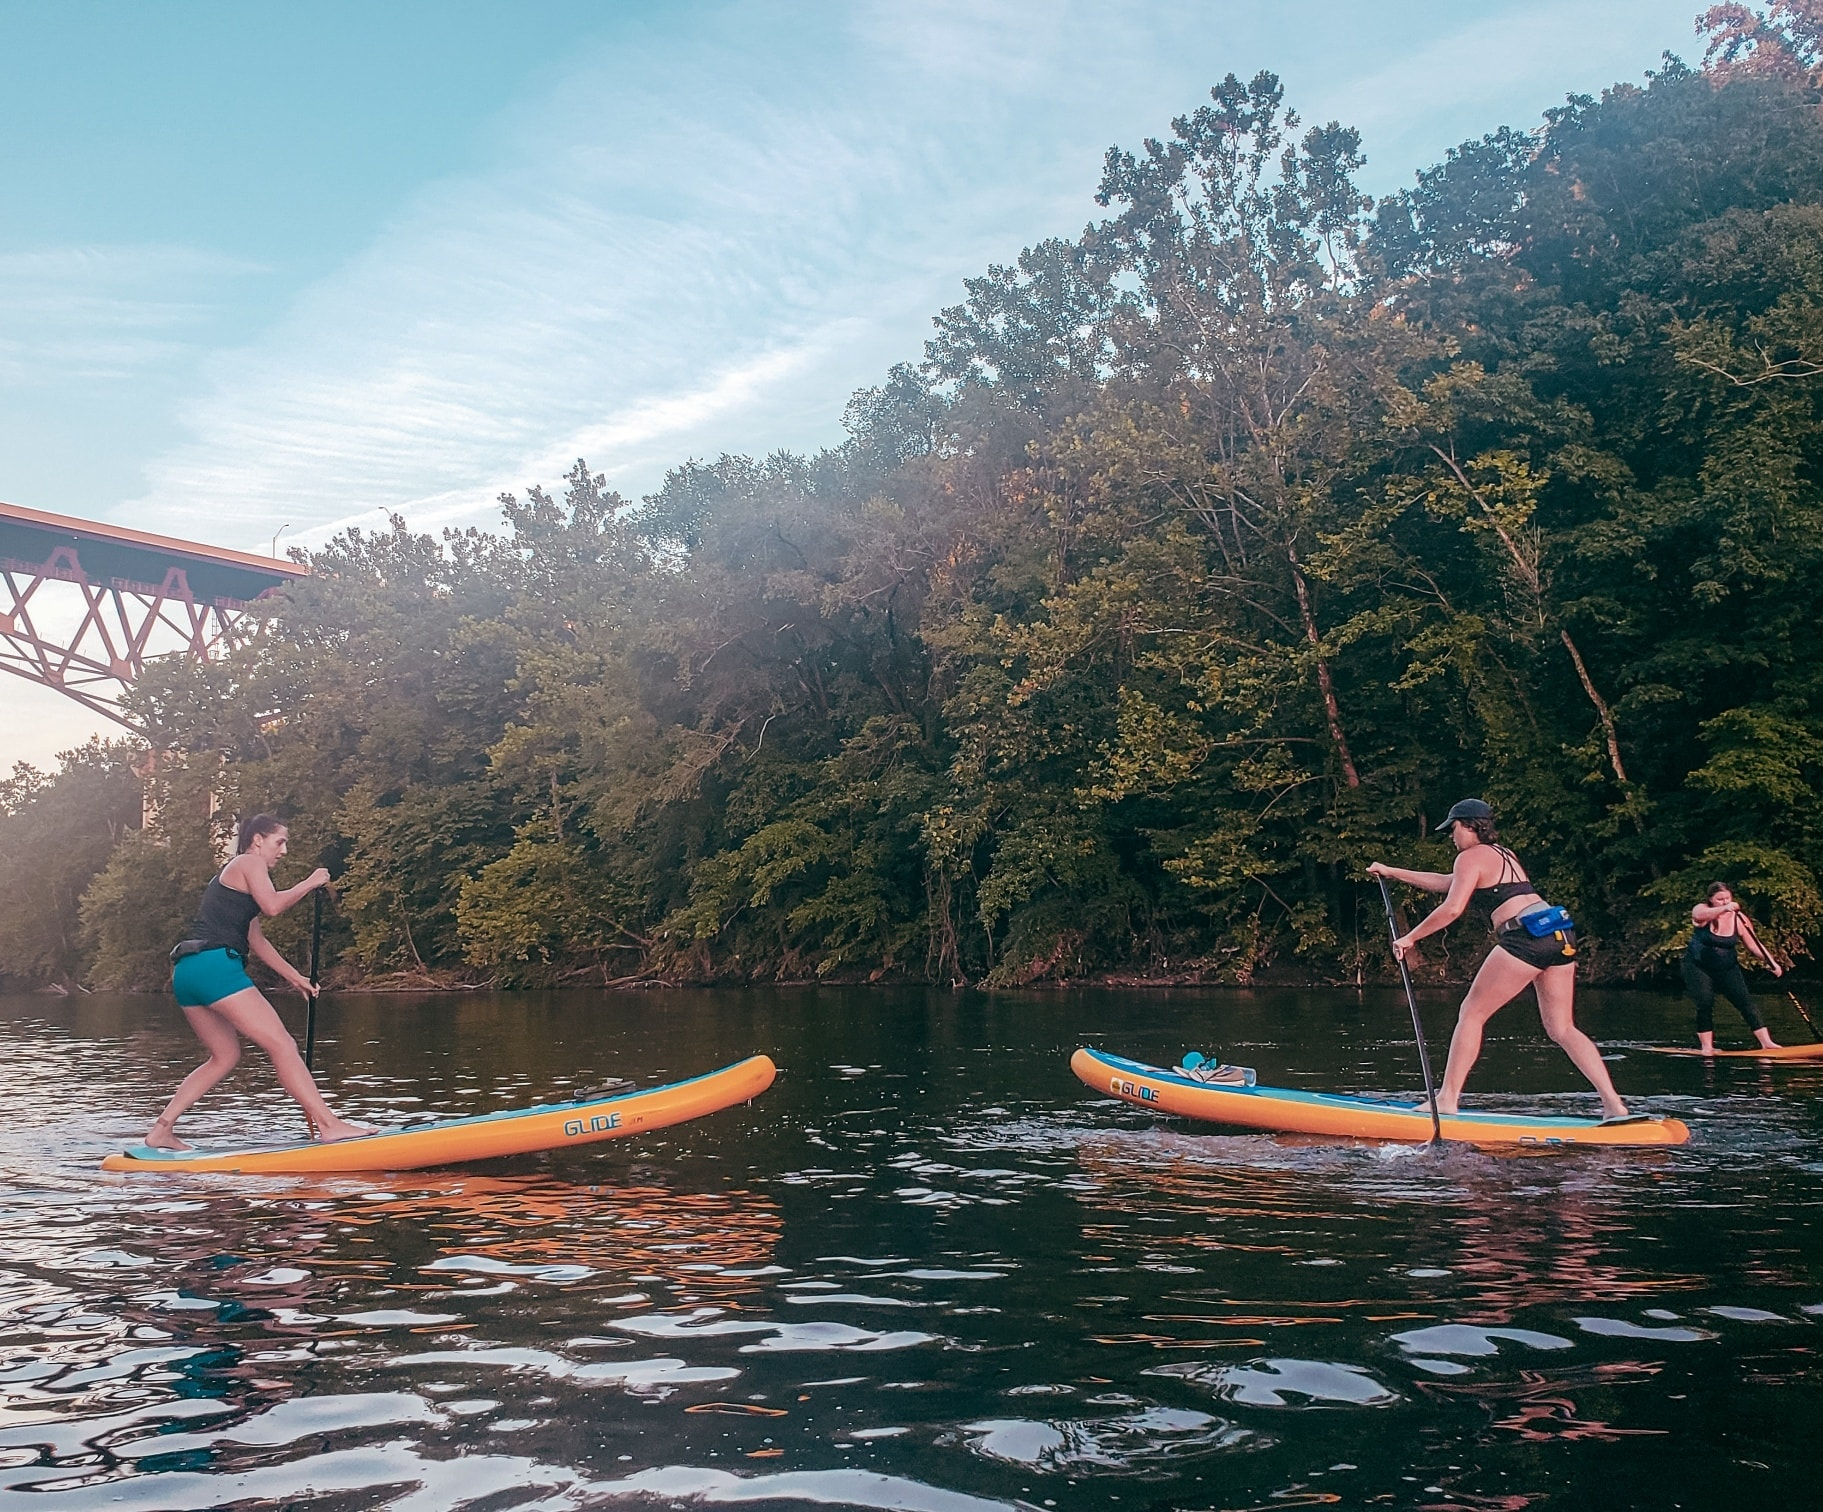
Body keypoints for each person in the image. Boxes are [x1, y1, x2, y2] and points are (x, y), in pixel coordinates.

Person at [1367, 798, 1630, 1120]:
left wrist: (1411, 937)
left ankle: (1448, 1098)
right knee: (1562, 1027)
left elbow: (1452, 908)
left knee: (1471, 1012)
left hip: (1525, 939)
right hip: (1559, 935)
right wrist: (1391, 872)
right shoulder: (1504, 854)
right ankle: (1614, 1105)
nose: (1452, 836)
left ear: (1468, 826)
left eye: (1453, 829)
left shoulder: (1470, 856)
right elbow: (1448, 884)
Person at [143, 814, 374, 1150]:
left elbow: (256, 939)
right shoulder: (249, 862)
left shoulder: (238, 881)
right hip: (214, 966)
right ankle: (330, 1125)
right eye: (280, 841)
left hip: (187, 971)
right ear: (257, 840)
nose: (284, 851)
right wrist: (310, 882)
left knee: (224, 1056)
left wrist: (295, 977)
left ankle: (162, 1129)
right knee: (282, 1044)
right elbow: (274, 906)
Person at [1685, 882, 1782, 1054]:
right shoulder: (1702, 910)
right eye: (1719, 899)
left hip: (1727, 967)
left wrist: (1771, 962)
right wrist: (1724, 908)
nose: (1724, 902)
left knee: (1745, 1001)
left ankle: (1766, 1042)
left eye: (1727, 898)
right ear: (1711, 900)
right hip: (1698, 966)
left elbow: (1753, 945)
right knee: (1705, 1002)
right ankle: (1707, 1047)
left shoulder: (1739, 919)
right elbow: (1699, 916)